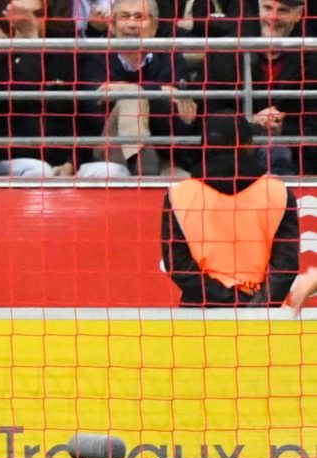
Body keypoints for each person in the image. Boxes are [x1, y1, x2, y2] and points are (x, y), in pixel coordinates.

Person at [162, 112, 300, 306]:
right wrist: (256, 305)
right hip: (263, 312)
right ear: (248, 144)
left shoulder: (178, 195)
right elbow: (286, 265)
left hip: (200, 310)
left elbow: (178, 265)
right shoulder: (278, 192)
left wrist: (228, 301)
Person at [83, 0, 199, 177]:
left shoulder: (168, 54)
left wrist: (124, 89)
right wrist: (160, 90)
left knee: (183, 182)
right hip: (110, 151)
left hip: (164, 153)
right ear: (112, 27)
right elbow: (97, 98)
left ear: (153, 27)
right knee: (132, 98)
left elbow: (183, 109)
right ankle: (142, 165)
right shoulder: (98, 53)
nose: (131, 24)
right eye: (124, 17)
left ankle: (143, 162)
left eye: (139, 17)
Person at [201, 0, 317, 175]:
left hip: (300, 164)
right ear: (259, 8)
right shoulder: (223, 53)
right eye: (268, 8)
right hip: (235, 166)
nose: (273, 17)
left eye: (283, 10)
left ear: (299, 15)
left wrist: (282, 129)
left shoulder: (313, 58)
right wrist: (249, 123)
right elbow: (210, 117)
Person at [0, 0, 89, 178]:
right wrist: (31, 40)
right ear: (8, 18)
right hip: (11, 159)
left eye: (37, 14)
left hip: (67, 160)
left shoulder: (67, 55)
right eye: (23, 15)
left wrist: (72, 162)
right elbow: (24, 96)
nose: (30, 20)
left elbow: (81, 117)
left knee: (113, 171)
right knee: (40, 171)